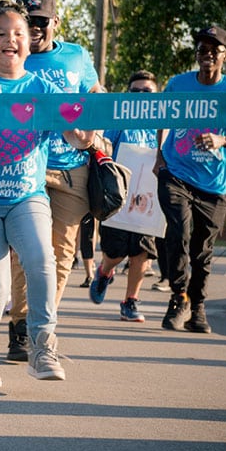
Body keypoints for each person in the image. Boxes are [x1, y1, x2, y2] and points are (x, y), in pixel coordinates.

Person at [0, 0, 96, 387]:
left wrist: (82, 134)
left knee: (43, 261)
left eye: (18, 34)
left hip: (27, 197)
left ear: (29, 43)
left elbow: (77, 137)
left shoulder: (44, 88)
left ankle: (43, 347)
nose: (10, 40)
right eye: (0, 34)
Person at [6, 0, 102, 361]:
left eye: (41, 22)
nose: (33, 29)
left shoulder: (76, 57)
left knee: (60, 255)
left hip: (71, 170)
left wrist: (95, 134)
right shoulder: (13, 59)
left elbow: (95, 93)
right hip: (25, 167)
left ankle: (40, 325)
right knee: (26, 252)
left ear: (55, 23)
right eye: (27, 22)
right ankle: (20, 328)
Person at [157, 25, 226, 333]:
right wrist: (158, 156)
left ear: (225, 56)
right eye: (202, 50)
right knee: (177, 231)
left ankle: (197, 306)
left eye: (214, 51)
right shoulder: (178, 85)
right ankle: (178, 297)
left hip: (213, 184)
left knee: (202, 250)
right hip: (176, 172)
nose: (207, 56)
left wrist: (223, 141)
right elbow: (158, 118)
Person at [88, 70, 161, 321]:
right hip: (120, 194)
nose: (141, 96)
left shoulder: (162, 125)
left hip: (150, 194)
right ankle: (105, 272)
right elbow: (104, 148)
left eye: (147, 91)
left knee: (142, 250)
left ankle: (131, 301)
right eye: (135, 91)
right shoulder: (118, 121)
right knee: (115, 253)